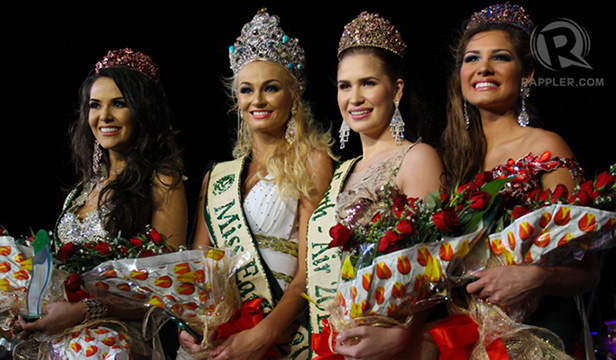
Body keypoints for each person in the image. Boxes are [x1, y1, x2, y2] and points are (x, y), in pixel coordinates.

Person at [441, 3, 599, 354]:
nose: (483, 68)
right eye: (471, 59)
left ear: (526, 75)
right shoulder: (455, 160)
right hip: (467, 336)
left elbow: (588, 269)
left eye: (500, 57)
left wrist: (535, 278)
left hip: (539, 333)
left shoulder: (545, 147)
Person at [178, 9, 333, 360]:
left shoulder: (314, 162)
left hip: (279, 335)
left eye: (271, 88)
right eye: (247, 90)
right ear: (237, 99)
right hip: (216, 335)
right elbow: (198, 264)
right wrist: (188, 324)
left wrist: (264, 332)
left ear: (294, 95)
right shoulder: (217, 176)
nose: (258, 101)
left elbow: (313, 269)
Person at [14, 48, 188, 357]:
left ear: (143, 111)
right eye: (95, 105)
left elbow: (166, 291)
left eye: (119, 104)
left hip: (116, 345)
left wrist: (85, 311)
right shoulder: (82, 190)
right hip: (57, 337)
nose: (104, 116)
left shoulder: (162, 183)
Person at [306, 11, 443, 360]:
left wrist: (401, 334)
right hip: (345, 338)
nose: (355, 97)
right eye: (345, 85)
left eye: (368, 83)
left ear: (396, 89)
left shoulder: (417, 157)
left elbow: (435, 263)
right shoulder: (343, 170)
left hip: (396, 342)